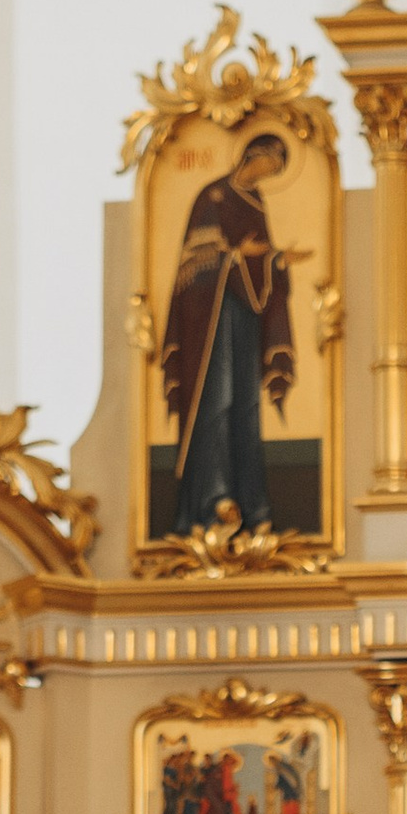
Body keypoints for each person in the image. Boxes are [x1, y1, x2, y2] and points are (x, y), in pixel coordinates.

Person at [160, 131, 300, 544]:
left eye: (274, 172)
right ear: (250, 156)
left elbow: (258, 258)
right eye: (266, 165)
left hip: (245, 316)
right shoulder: (213, 195)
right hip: (211, 318)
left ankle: (253, 504)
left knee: (246, 404)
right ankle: (214, 498)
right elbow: (194, 262)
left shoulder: (257, 203)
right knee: (216, 399)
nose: (266, 175)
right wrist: (240, 256)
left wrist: (276, 262)